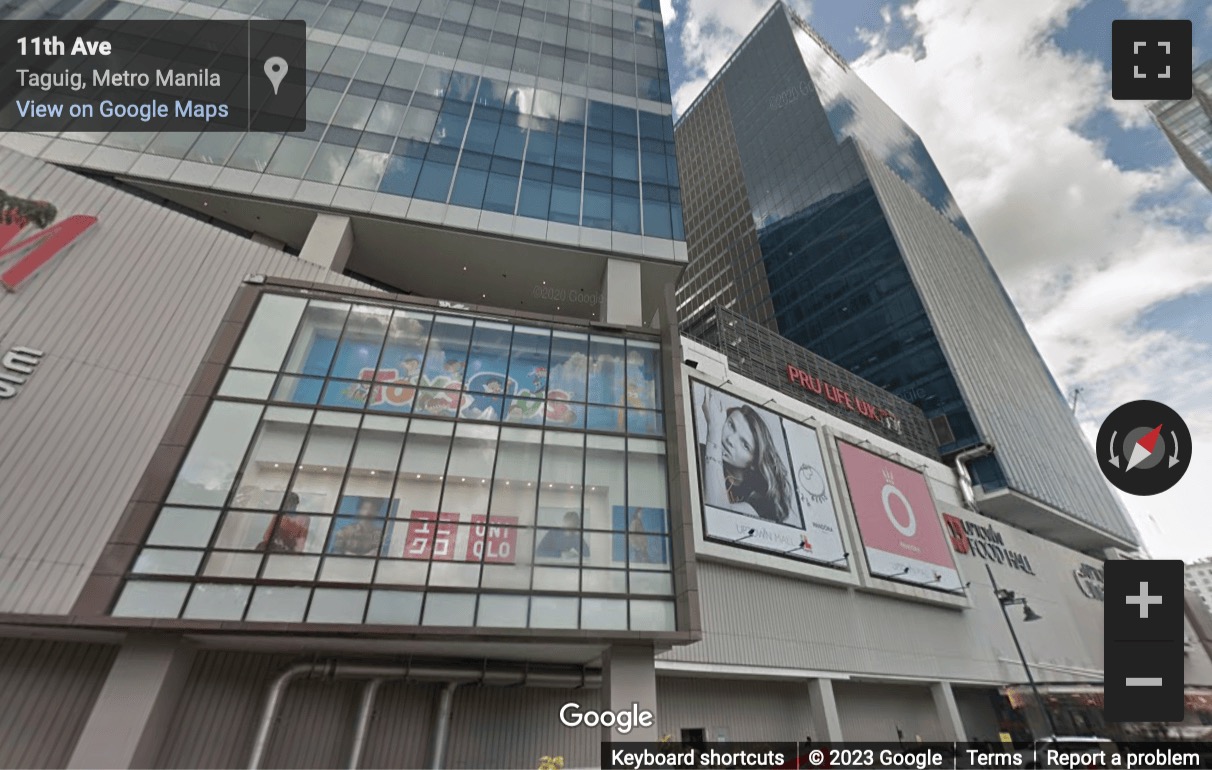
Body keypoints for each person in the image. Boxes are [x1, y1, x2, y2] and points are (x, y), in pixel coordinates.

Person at [699, 388, 796, 524]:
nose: (730, 440)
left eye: (745, 445)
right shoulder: (699, 453)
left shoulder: (765, 498)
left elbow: (718, 517)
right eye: (731, 425)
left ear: (753, 462)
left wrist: (714, 431)